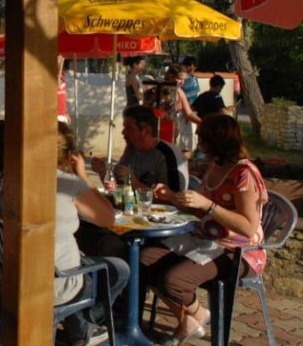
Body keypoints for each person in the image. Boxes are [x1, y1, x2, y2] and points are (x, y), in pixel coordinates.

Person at [142, 115, 268, 345]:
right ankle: (192, 319)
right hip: (205, 239)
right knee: (144, 260)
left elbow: (248, 227)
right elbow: (201, 211)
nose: (199, 146)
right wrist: (171, 196)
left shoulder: (244, 173)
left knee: (174, 281)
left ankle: (197, 316)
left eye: (202, 140)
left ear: (217, 142)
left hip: (239, 251)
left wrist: (208, 205)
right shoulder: (215, 166)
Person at [81, 105, 189, 260]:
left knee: (109, 244)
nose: (123, 132)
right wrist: (103, 172)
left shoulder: (166, 155)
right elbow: (118, 190)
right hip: (129, 219)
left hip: (157, 228)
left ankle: (124, 275)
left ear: (145, 130)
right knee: (84, 228)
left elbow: (175, 201)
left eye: (128, 128)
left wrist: (135, 183)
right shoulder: (132, 150)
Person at [56, 122, 129, 346]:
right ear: (69, 154)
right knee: (119, 269)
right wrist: (83, 177)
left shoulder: (14, 177)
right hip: (60, 281)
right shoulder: (68, 183)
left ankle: (80, 329)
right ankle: (86, 327)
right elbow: (108, 218)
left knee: (85, 256)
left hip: (19, 274)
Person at [164, 65, 202, 157]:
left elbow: (189, 113)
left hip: (173, 129)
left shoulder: (180, 92)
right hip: (161, 128)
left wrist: (202, 122)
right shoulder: (161, 89)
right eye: (179, 79)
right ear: (170, 76)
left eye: (183, 79)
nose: (181, 82)